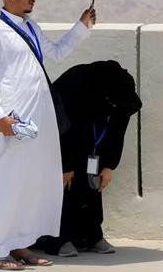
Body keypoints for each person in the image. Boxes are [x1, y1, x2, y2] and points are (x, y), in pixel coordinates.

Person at [0, 0, 96, 270]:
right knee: (8, 184)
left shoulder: (30, 27)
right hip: (11, 122)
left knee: (29, 185)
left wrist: (82, 26)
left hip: (35, 122)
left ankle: (18, 245)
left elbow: (55, 53)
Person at [32, 60, 142, 257]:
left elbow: (118, 127)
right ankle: (58, 239)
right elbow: (60, 126)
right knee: (66, 186)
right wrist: (65, 165)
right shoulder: (74, 85)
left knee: (92, 183)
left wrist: (109, 165)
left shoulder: (119, 89)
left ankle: (90, 236)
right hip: (60, 138)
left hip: (90, 142)